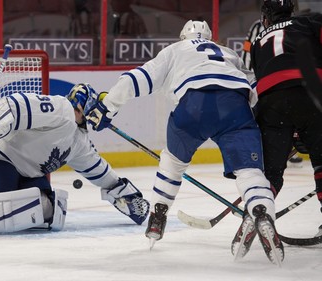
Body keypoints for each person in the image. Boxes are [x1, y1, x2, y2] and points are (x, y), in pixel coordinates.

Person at [83, 20, 284, 265]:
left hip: (193, 105)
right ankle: (261, 211)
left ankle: (158, 214)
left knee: (173, 162)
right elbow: (257, 86)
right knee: (250, 172)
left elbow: (136, 79)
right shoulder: (229, 54)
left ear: (182, 37)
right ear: (210, 37)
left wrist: (107, 107)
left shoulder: (175, 51)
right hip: (235, 104)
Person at [0, 84, 150, 234]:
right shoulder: (61, 109)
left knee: (49, 212)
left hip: (30, 175)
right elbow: (18, 106)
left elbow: (102, 173)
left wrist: (129, 197)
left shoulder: (81, 143)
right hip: (1, 159)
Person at [250, 1, 322, 219]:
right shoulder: (310, 22)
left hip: (271, 103)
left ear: (266, 18)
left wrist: (293, 128)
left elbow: (266, 81)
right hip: (310, 94)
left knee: (271, 171)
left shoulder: (257, 42)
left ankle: (260, 212)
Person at [241, 17, 304, 167]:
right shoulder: (296, 24)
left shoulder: (259, 25)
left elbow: (247, 53)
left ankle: (277, 150)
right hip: (284, 78)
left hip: (268, 79)